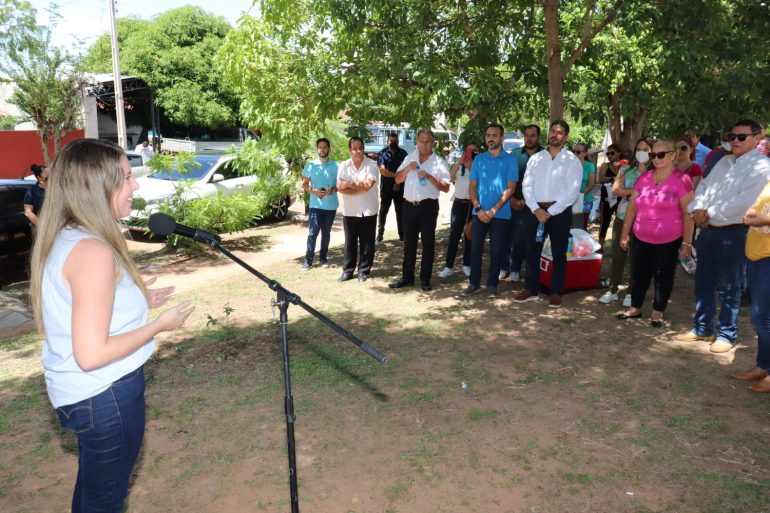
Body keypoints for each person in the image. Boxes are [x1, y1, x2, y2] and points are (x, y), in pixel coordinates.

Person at [28, 139, 194, 513]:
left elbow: (81, 306)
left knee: (94, 494)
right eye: (125, 177)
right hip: (105, 396)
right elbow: (91, 354)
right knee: (105, 502)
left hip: (88, 396)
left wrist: (137, 299)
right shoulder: (93, 250)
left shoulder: (70, 236)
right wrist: (159, 326)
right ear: (96, 187)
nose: (135, 185)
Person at [676, 120, 770, 352]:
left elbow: (744, 201)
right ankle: (702, 327)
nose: (734, 141)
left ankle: (727, 334)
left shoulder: (762, 167)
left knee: (730, 285)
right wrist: (696, 210)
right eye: (731, 136)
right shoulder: (723, 162)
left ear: (757, 139)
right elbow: (704, 188)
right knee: (704, 281)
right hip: (708, 230)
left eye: (741, 137)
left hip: (734, 232)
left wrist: (708, 213)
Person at [618, 140, 694, 327]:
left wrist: (687, 243)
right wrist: (625, 233)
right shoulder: (644, 178)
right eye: (653, 155)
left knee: (663, 275)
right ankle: (635, 308)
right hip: (641, 237)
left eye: (661, 154)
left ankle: (657, 312)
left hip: (669, 239)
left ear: (673, 154)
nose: (656, 158)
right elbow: (632, 208)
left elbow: (688, 214)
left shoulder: (682, 180)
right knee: (639, 273)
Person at [514, 120, 583, 308]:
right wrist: (536, 209)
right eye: (552, 131)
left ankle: (556, 292)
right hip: (535, 212)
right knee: (532, 250)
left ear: (566, 137)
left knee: (559, 253)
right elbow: (527, 186)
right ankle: (531, 289)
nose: (554, 135)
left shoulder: (572, 161)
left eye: (559, 132)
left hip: (559, 213)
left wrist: (550, 212)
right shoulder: (536, 158)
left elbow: (572, 192)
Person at [389, 130, 450, 291]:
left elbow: (446, 187)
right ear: (417, 142)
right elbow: (397, 179)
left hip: (428, 207)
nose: (424, 145)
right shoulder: (409, 158)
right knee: (408, 243)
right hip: (409, 206)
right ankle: (407, 277)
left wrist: (430, 177)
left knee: (428, 243)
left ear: (433, 143)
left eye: (427, 141)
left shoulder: (439, 162)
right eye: (421, 141)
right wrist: (408, 168)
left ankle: (425, 279)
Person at [463, 124, 518, 297]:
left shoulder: (510, 160)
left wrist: (493, 210)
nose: (491, 138)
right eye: (488, 135)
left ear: (502, 138)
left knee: (497, 251)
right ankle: (474, 283)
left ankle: (492, 285)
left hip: (501, 214)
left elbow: (511, 188)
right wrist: (478, 208)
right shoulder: (479, 159)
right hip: (479, 213)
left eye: (495, 135)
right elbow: (472, 186)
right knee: (475, 249)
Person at [598, 138, 653, 305]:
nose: (642, 152)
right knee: (617, 255)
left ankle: (631, 292)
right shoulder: (626, 169)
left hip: (645, 219)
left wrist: (628, 192)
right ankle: (613, 290)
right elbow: (615, 190)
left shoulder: (655, 172)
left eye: (646, 149)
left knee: (637, 258)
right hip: (622, 216)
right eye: (639, 149)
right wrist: (636, 190)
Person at [731, 179, 770, 392]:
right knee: (761, 316)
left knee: (762, 317)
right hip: (756, 256)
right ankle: (762, 366)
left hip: (767, 258)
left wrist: (764, 219)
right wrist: (751, 214)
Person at [501, 124, 543, 282]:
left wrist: (526, 202)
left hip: (534, 205)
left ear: (538, 137)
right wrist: (512, 199)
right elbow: (506, 179)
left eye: (533, 135)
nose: (529, 138)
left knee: (525, 238)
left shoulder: (545, 155)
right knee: (508, 236)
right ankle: (507, 267)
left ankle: (519, 269)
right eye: (527, 135)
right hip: (513, 201)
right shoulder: (515, 155)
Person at [336, 137, 379, 282]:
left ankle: (363, 271)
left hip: (368, 209)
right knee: (350, 242)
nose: (358, 151)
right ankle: (348, 270)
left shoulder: (372, 165)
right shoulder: (343, 166)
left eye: (360, 148)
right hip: (350, 210)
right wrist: (358, 186)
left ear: (364, 149)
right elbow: (340, 187)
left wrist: (349, 184)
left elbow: (368, 186)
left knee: (367, 243)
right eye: (354, 148)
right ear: (349, 150)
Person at [437, 142, 478, 279]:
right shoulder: (459, 167)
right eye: (469, 151)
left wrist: (471, 166)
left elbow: (479, 183)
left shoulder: (478, 167)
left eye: (474, 151)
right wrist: (461, 160)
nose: (471, 154)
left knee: (469, 235)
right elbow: (449, 177)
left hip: (472, 204)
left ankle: (467, 265)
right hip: (458, 204)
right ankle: (448, 266)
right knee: (454, 235)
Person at [301, 138, 338, 270]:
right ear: (317, 149)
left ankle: (323, 258)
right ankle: (308, 260)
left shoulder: (336, 166)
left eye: (325, 147)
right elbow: (304, 184)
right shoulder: (310, 165)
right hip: (315, 205)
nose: (322, 150)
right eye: (320, 147)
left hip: (331, 206)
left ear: (329, 149)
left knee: (326, 233)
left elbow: (340, 185)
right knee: (312, 233)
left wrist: (332, 190)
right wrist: (314, 191)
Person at [376, 132, 408, 242]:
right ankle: (380, 235)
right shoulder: (382, 153)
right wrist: (397, 176)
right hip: (386, 188)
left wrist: (398, 182)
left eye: (395, 140)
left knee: (400, 212)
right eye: (391, 141)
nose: (393, 142)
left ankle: (402, 235)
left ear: (398, 141)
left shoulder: (403, 153)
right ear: (387, 141)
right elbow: (383, 171)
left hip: (400, 188)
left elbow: (406, 171)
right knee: (383, 211)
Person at [597, 143, 625, 248]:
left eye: (612, 153)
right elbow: (601, 179)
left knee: (621, 222)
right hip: (607, 198)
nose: (609, 155)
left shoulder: (624, 165)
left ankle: (619, 244)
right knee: (604, 222)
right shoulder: (605, 165)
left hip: (621, 198)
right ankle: (600, 246)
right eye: (607, 153)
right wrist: (613, 178)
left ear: (619, 153)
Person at [573, 143, 596, 229]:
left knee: (581, 226)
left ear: (585, 153)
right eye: (574, 151)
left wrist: (580, 196)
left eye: (578, 152)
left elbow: (591, 184)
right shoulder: (570, 165)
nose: (575, 153)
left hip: (585, 200)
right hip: (571, 199)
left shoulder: (590, 166)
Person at [23, 163, 48, 227]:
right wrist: (42, 226)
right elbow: (28, 212)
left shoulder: (58, 189)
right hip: (41, 227)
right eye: (47, 178)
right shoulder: (32, 191)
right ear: (39, 178)